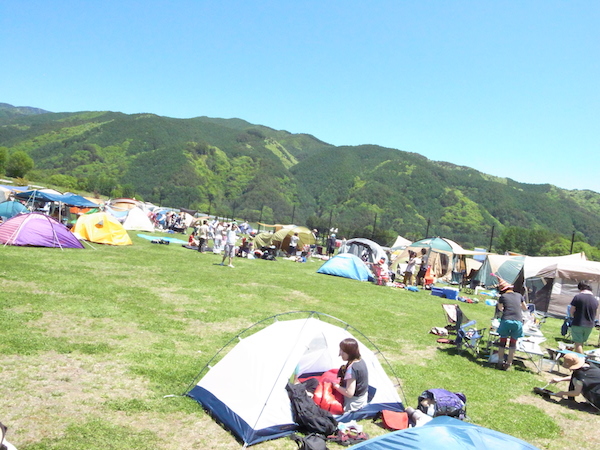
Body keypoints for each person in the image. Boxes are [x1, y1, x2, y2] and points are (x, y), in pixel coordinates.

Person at [494, 275, 527, 370]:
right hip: (518, 321)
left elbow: (500, 308)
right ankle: (509, 363)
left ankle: (500, 361)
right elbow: (525, 308)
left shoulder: (502, 297)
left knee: (502, 342)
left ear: (502, 290)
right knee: (513, 343)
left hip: (506, 319)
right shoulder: (519, 295)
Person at [333, 338, 369, 412]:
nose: (340, 354)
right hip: (363, 398)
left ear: (350, 353)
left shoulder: (351, 369)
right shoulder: (360, 360)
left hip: (354, 404)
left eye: (343, 351)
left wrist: (336, 386)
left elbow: (349, 393)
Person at [569, 282, 599, 354]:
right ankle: (578, 357)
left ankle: (582, 359)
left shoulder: (578, 297)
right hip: (589, 325)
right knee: (581, 342)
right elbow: (596, 313)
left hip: (578, 323)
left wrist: (572, 317)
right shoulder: (595, 300)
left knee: (578, 343)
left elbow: (572, 310)